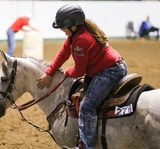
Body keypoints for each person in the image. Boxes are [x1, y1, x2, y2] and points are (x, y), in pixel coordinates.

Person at [36, 3, 127, 149]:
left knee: (87, 106)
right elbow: (63, 54)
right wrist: (49, 73)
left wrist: (67, 72)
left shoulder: (81, 40)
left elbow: (79, 71)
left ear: (72, 25)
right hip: (107, 68)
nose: (60, 29)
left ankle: (86, 146)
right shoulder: (76, 35)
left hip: (110, 71)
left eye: (62, 27)